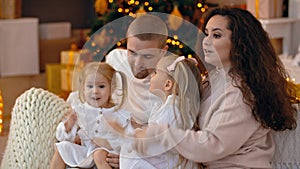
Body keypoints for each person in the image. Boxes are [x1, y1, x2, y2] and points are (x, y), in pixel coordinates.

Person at [133, 7, 298, 169]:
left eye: (216, 35)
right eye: (206, 33)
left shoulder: (242, 93)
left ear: (240, 43)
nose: (206, 40)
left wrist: (163, 134)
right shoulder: (212, 80)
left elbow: (211, 146)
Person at [119, 55, 203, 169]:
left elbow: (156, 139)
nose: (150, 76)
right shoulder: (168, 105)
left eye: (155, 73)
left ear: (167, 84)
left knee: (128, 151)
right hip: (164, 158)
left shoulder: (172, 108)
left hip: (167, 163)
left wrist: (136, 134)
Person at [50, 62, 131, 169]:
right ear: (83, 89)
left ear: (112, 88)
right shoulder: (80, 111)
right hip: (85, 152)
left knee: (99, 154)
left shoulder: (119, 114)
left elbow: (127, 139)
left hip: (106, 153)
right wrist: (68, 126)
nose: (95, 91)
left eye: (101, 86)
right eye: (89, 86)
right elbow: (61, 137)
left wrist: (107, 143)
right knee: (62, 147)